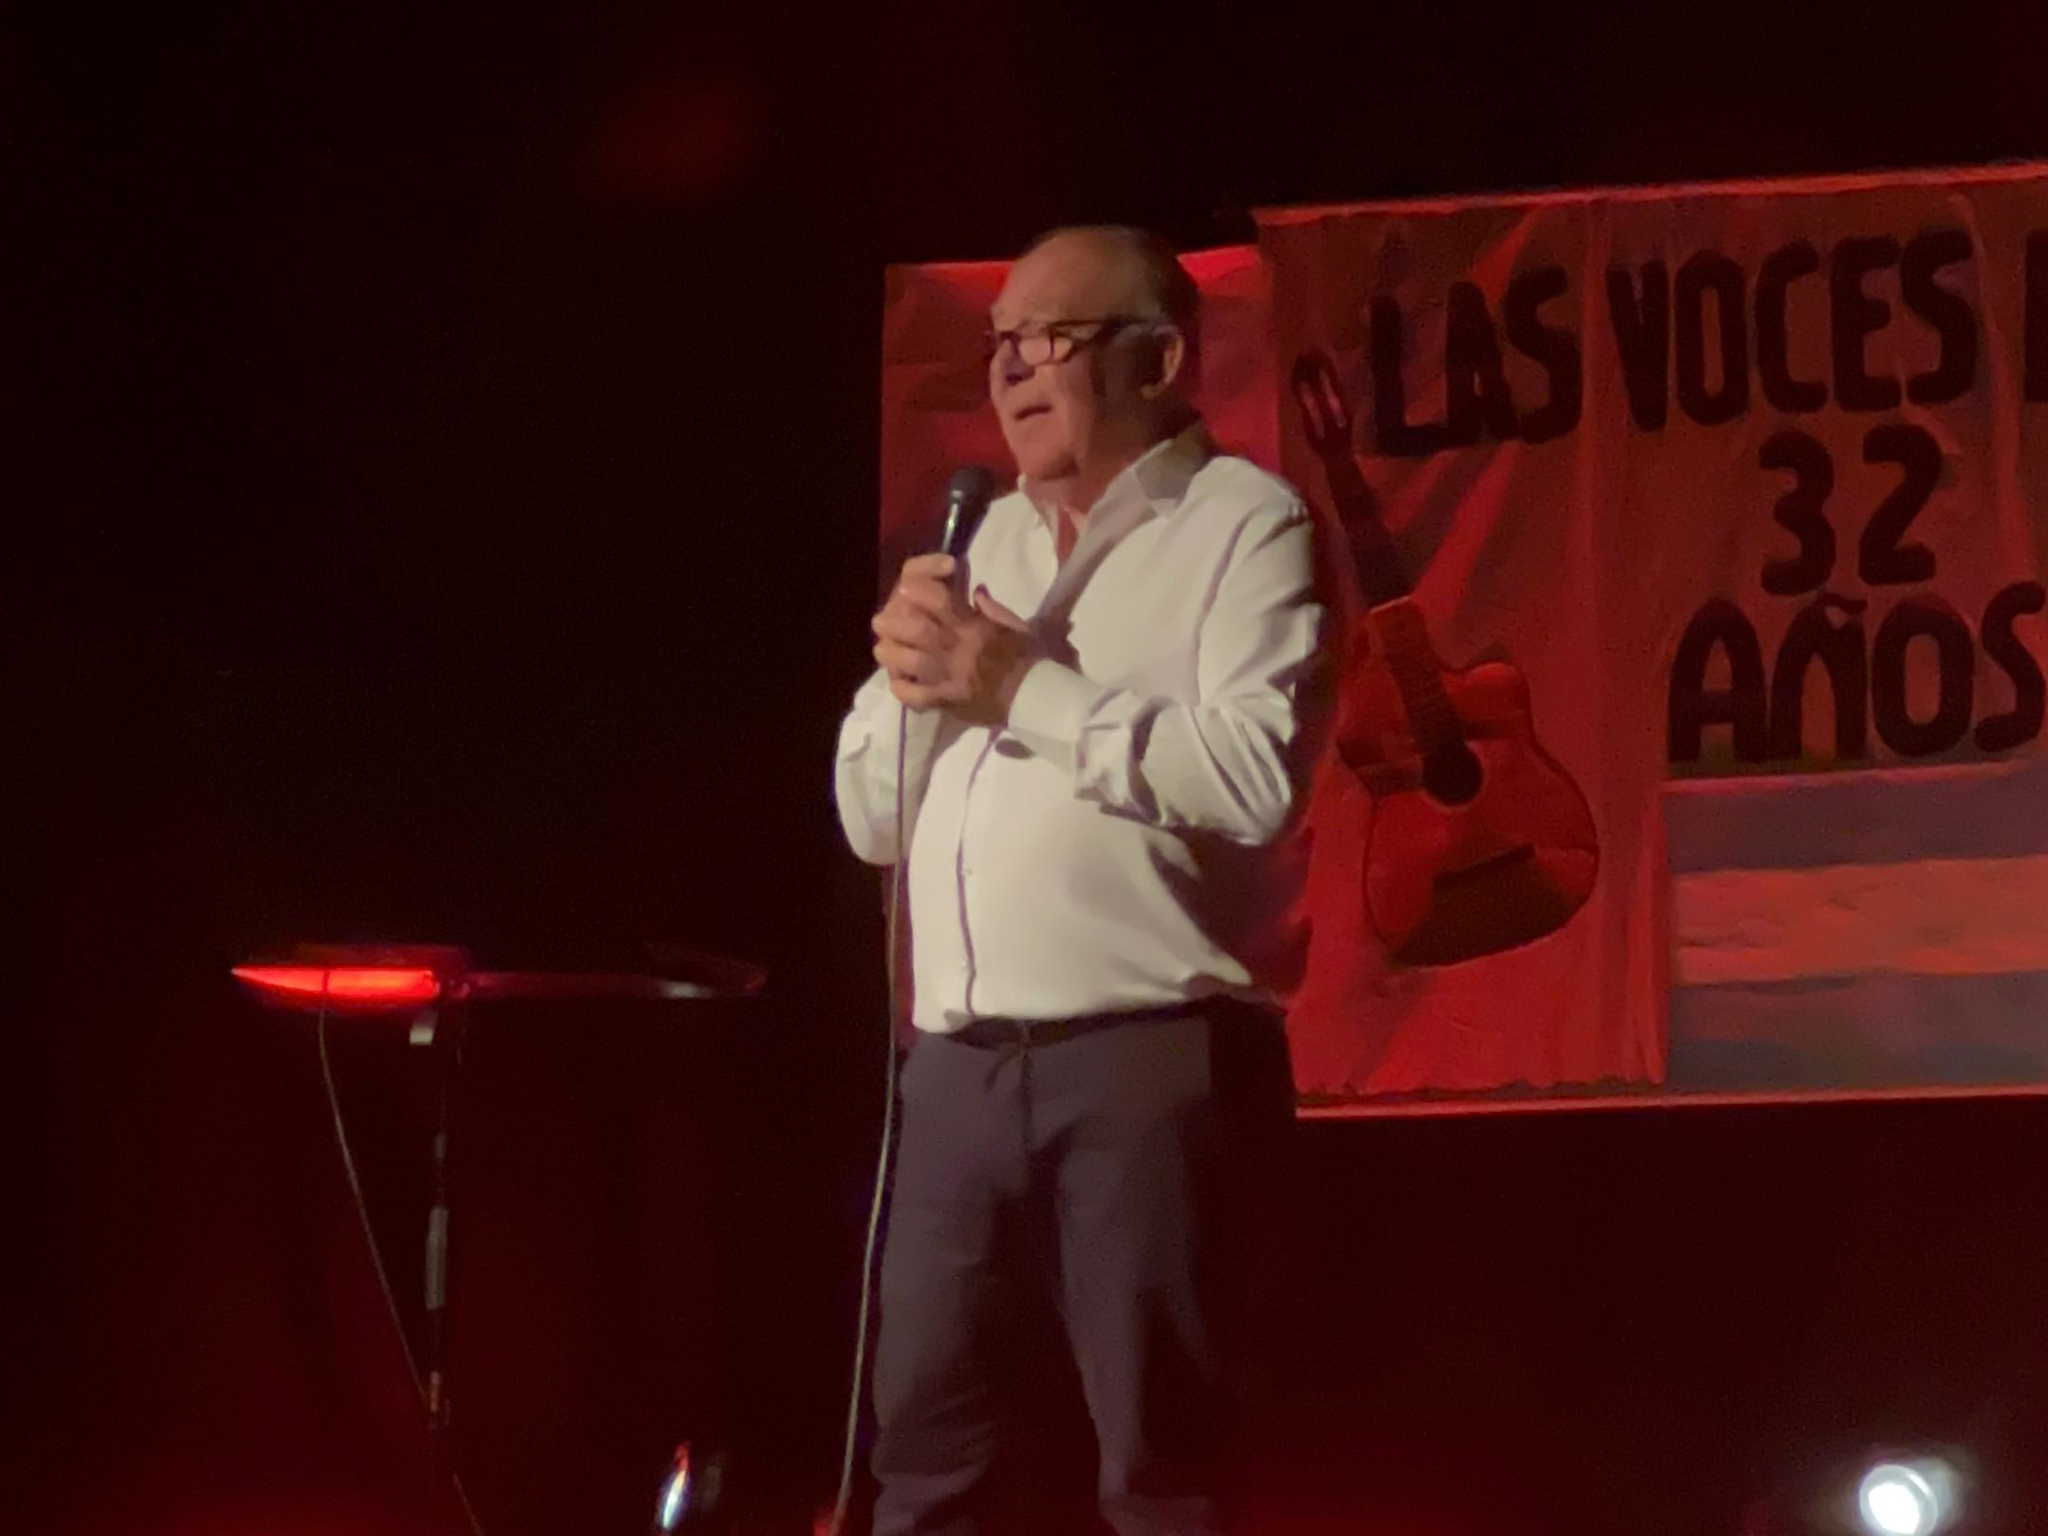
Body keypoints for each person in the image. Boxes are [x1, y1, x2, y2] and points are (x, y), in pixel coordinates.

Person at [834, 225, 1337, 1536]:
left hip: (1151, 1066)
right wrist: (905, 686)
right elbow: (871, 822)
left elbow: (1254, 778)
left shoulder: (1246, 526)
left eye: (1047, 338)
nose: (1010, 369)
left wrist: (1022, 688)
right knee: (922, 1457)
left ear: (1156, 361)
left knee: (1165, 1470)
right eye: (998, 341)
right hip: (954, 1073)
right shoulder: (982, 539)